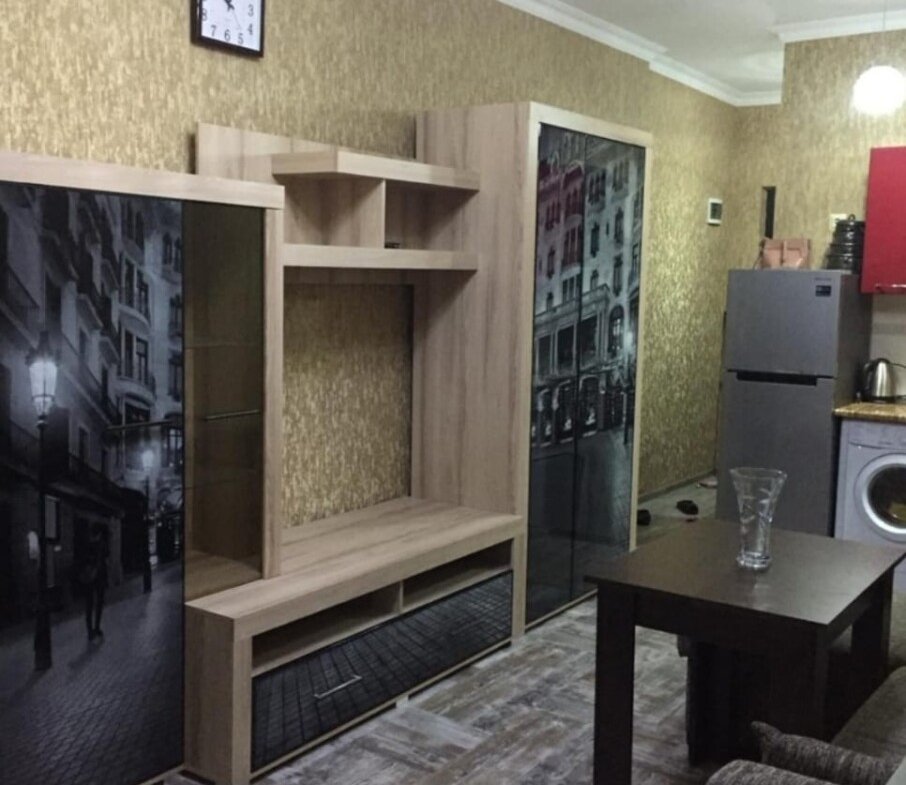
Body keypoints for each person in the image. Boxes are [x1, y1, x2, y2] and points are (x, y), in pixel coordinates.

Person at [76, 523, 109, 641]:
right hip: (99, 576)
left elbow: (82, 560)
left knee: (89, 604)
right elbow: (105, 559)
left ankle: (90, 631)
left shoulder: (86, 544)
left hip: (89, 576)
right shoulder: (102, 545)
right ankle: (97, 627)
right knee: (99, 603)